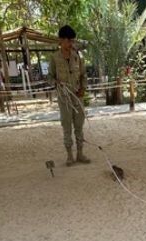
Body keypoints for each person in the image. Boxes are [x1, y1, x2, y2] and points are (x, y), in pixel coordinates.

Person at [48, 25, 89, 166]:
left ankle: (80, 154)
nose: (71, 44)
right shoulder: (54, 57)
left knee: (79, 125)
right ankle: (69, 156)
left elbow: (83, 74)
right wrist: (56, 82)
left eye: (73, 41)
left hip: (77, 96)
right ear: (61, 40)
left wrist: (83, 88)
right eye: (69, 41)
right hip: (64, 97)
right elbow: (49, 77)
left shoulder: (77, 56)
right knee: (66, 126)